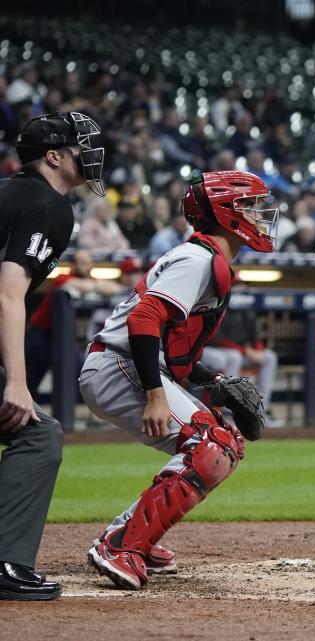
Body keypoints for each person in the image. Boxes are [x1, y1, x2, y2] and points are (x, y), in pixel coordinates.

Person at [79, 170, 278, 590]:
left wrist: (215, 382)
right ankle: (121, 545)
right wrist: (155, 395)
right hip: (119, 365)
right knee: (211, 445)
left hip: (128, 364)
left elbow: (174, 351)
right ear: (226, 213)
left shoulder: (206, 258)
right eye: (250, 207)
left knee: (225, 442)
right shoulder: (198, 259)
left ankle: (135, 535)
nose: (261, 217)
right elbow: (144, 318)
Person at [0, 111, 105, 601]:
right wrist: (17, 382)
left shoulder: (9, 192)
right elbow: (8, 294)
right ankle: (6, 563)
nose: (90, 155)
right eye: (79, 147)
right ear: (54, 156)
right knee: (39, 435)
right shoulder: (49, 204)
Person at [25, 249, 120, 396]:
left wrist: (96, 285)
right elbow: (79, 285)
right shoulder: (63, 277)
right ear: (74, 265)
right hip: (40, 335)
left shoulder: (90, 279)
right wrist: (96, 286)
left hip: (64, 336)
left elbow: (114, 288)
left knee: (79, 374)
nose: (86, 266)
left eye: (88, 263)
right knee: (32, 379)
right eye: (82, 263)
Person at [199, 278, 283, 429]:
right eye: (236, 286)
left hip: (234, 352)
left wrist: (258, 350)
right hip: (210, 349)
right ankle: (228, 413)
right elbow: (216, 338)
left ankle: (260, 411)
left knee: (269, 357)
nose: (241, 289)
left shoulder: (246, 307)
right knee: (233, 357)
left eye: (242, 285)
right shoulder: (217, 303)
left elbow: (254, 335)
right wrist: (245, 351)